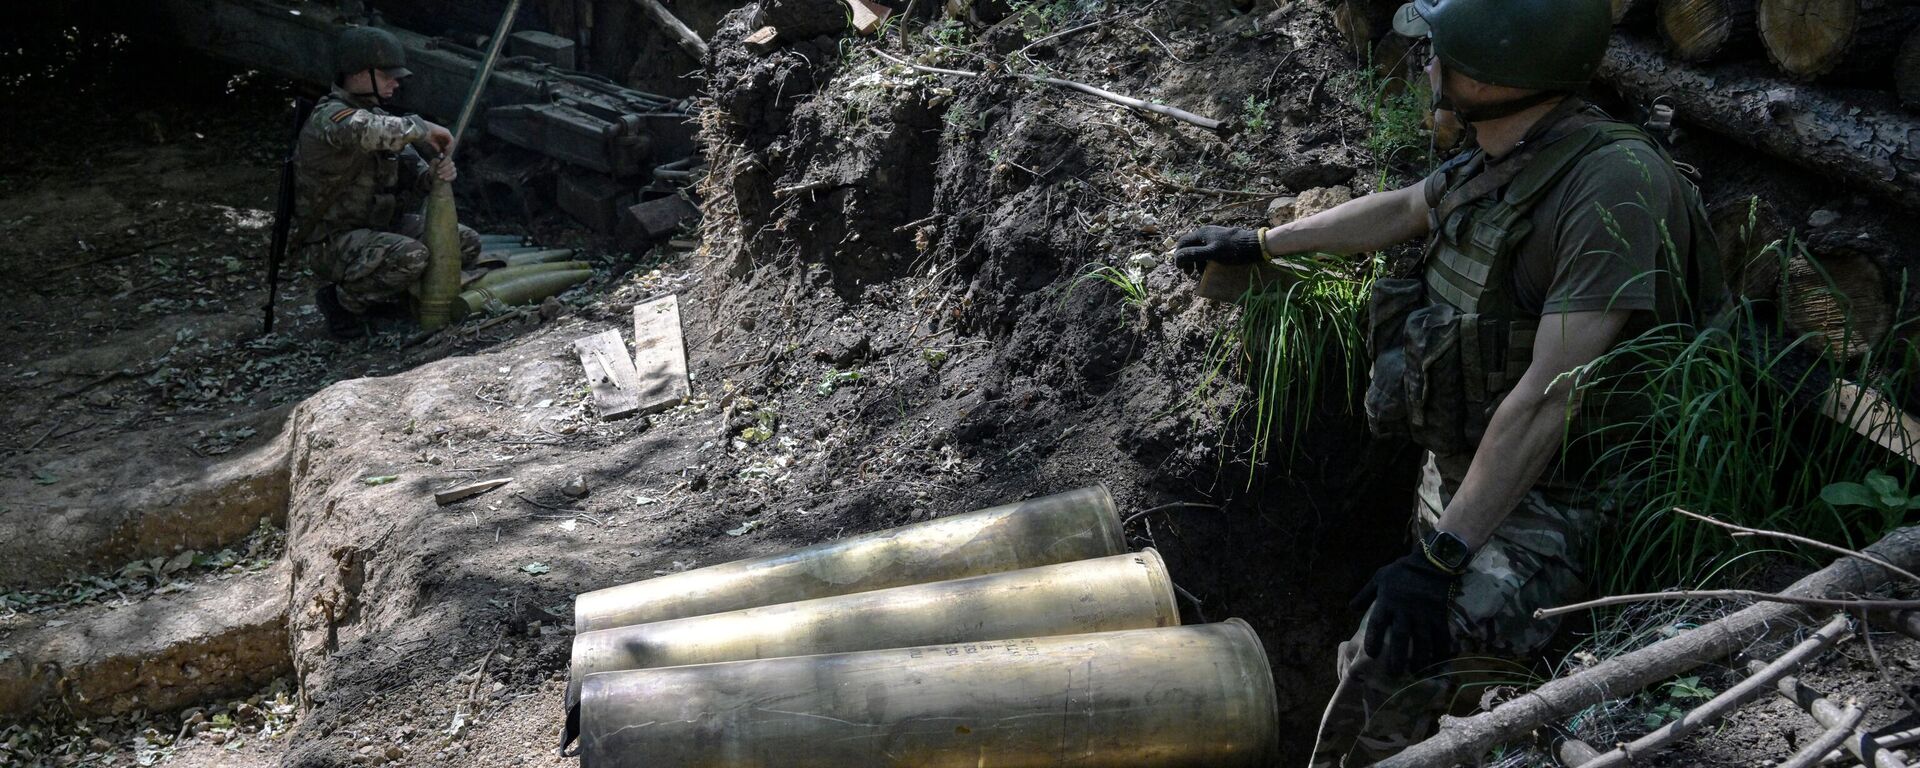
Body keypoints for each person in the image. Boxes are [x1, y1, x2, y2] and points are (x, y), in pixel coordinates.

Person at [1172, 0, 1723, 764]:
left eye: (1442, 53)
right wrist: (1263, 242)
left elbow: (1550, 397)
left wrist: (1440, 560)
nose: (1428, 63)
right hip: (1473, 466)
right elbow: (1404, 208)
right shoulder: (1508, 150)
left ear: (1496, 78)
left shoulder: (1610, 188)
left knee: (1387, 662)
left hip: (1570, 496)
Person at [294, 26, 481, 338]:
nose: (396, 83)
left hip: (381, 228)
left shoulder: (381, 119)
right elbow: (368, 130)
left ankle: (390, 291)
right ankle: (342, 303)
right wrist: (422, 128)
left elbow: (415, 173)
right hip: (333, 240)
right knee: (412, 256)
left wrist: (435, 175)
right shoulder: (330, 117)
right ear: (357, 73)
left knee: (467, 242)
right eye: (386, 75)